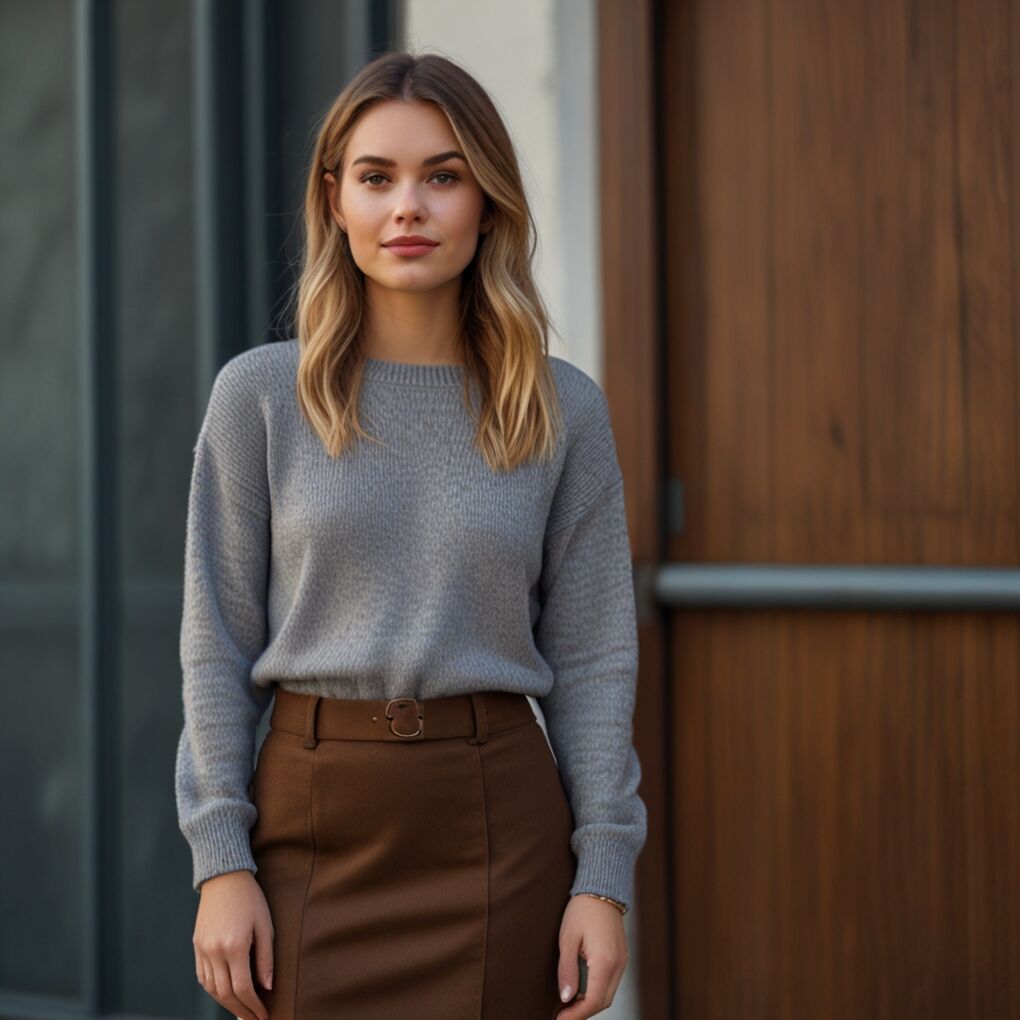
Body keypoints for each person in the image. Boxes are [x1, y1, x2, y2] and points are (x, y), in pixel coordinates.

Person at [175, 49, 647, 1020]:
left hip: (498, 828)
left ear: (488, 203)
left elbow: (597, 655)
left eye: (443, 175)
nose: (408, 208)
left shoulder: (562, 411)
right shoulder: (259, 399)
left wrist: (602, 874)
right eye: (377, 177)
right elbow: (213, 640)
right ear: (335, 202)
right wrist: (220, 857)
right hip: (310, 822)